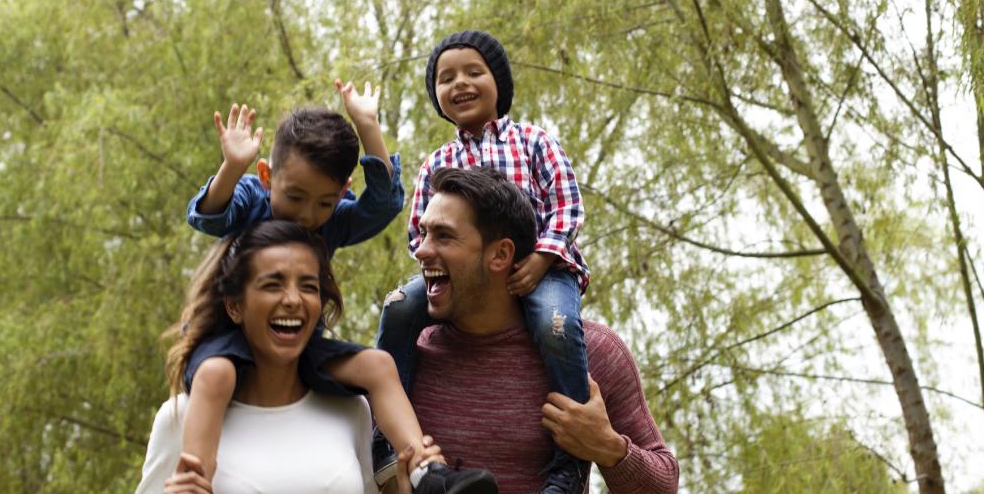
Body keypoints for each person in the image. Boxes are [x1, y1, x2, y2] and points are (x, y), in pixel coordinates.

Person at [181, 81, 494, 492]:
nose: (307, 215)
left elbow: (382, 206)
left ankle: (426, 473)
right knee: (216, 374)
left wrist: (368, 127)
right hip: (229, 341)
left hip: (299, 346)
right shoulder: (252, 199)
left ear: (342, 192)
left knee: (378, 365)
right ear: (267, 176)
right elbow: (208, 217)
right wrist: (232, 168)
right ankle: (193, 481)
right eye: (295, 197)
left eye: (324, 203)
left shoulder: (331, 221)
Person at [376, 30, 592, 493]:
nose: (460, 83)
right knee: (398, 306)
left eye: (474, 72)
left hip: (544, 268)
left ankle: (570, 461)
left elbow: (567, 206)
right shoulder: (438, 162)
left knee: (556, 325)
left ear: (500, 83)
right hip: (460, 271)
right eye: (446, 78)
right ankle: (386, 437)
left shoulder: (533, 141)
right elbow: (418, 233)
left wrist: (542, 256)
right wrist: (436, 258)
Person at [382, 167, 679, 493]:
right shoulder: (404, 360)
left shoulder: (594, 352)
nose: (421, 250)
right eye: (423, 233)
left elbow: (664, 486)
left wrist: (608, 447)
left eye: (443, 236)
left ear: (500, 254)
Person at [137, 221, 479, 494]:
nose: (293, 300)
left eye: (308, 286)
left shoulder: (351, 409)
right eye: (273, 284)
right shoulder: (181, 417)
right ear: (235, 306)